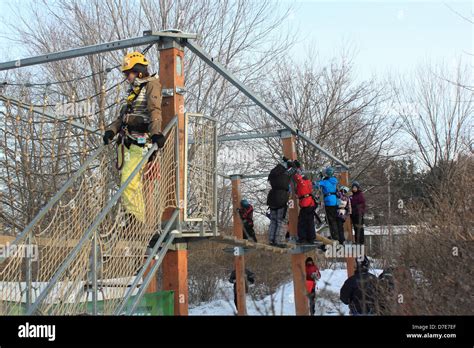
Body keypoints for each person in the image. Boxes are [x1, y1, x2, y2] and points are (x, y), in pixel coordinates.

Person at [103, 52, 165, 222]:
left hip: (141, 141)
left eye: (128, 73)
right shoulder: (133, 91)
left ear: (138, 71)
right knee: (129, 181)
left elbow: (155, 111)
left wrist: (156, 134)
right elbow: (123, 116)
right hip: (128, 141)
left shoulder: (151, 85)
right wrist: (111, 131)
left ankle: (136, 218)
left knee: (129, 180)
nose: (126, 77)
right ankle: (134, 217)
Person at [266, 157, 293, 247]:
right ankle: (279, 241)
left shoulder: (273, 174)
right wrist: (293, 165)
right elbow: (293, 171)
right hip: (281, 198)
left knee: (273, 221)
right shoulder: (284, 174)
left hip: (272, 198)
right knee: (281, 221)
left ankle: (271, 240)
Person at [315, 167, 344, 244]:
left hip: (329, 202)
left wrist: (320, 178)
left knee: (331, 220)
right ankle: (337, 237)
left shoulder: (325, 182)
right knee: (334, 219)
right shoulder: (333, 181)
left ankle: (335, 237)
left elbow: (316, 184)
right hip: (334, 201)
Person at [292, 160, 318, 244]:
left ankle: (302, 238)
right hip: (310, 203)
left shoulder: (302, 182)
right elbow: (300, 175)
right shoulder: (308, 182)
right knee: (310, 222)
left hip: (306, 204)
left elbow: (297, 177)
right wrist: (298, 167)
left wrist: (293, 168)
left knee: (302, 222)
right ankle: (311, 238)